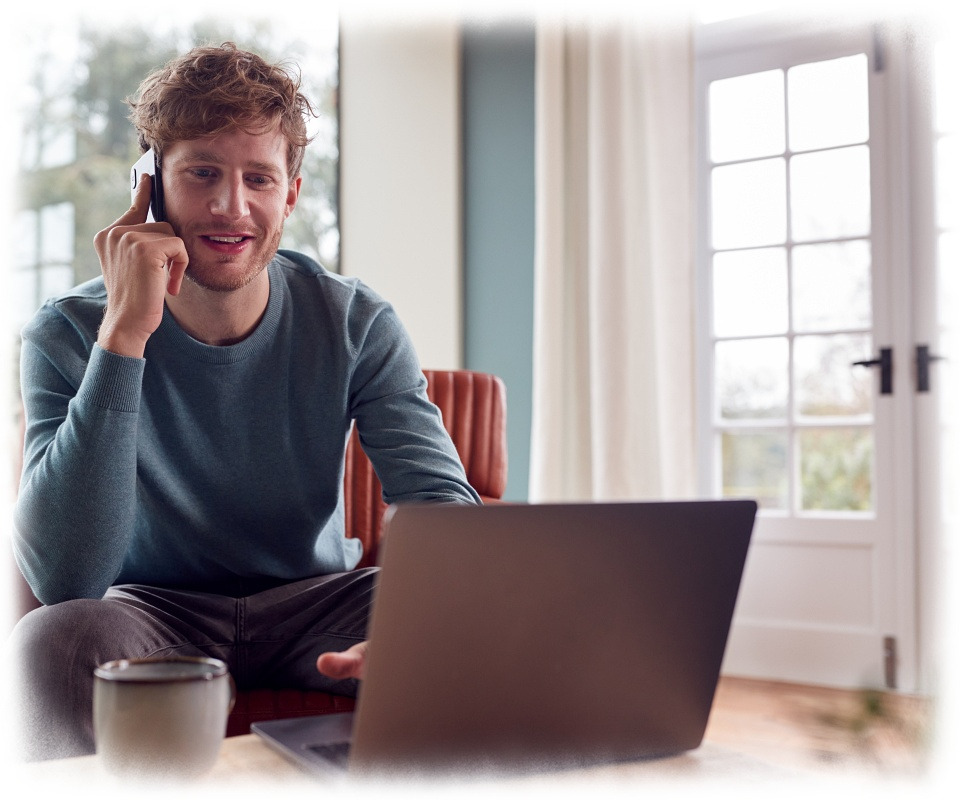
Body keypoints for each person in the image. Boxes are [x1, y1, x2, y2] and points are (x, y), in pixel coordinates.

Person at [7, 42, 480, 761]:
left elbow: (442, 509)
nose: (233, 206)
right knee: (52, 642)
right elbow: (69, 577)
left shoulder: (355, 321)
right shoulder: (69, 331)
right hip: (151, 611)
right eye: (202, 173)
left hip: (317, 601)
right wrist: (125, 336)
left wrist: (432, 623)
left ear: (289, 194)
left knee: (492, 624)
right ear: (151, 186)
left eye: (259, 178)